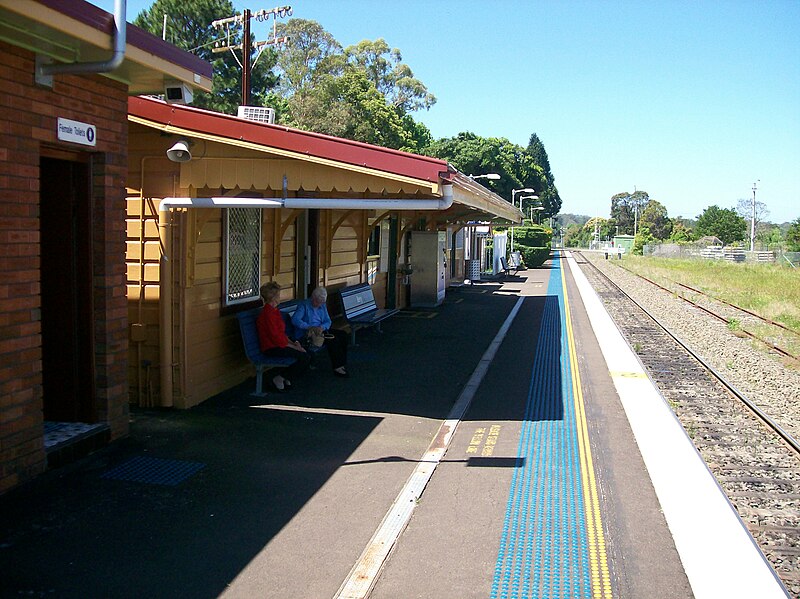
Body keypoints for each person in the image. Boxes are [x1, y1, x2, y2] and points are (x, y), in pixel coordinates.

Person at [256, 281, 312, 391]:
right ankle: (279, 378)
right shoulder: (267, 314)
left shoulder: (274, 311)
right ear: (273, 297)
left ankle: (287, 377)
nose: (279, 297)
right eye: (278, 295)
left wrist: (293, 343)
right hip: (271, 348)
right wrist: (294, 347)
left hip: (279, 344)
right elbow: (276, 338)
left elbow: (281, 333)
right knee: (304, 357)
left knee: (309, 354)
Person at [291, 286, 350, 378]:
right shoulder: (304, 305)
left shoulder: (322, 305)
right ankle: (337, 367)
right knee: (333, 340)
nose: (320, 305)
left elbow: (328, 321)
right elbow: (295, 320)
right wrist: (309, 327)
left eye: (322, 302)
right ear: (313, 298)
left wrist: (322, 327)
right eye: (318, 302)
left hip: (320, 330)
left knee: (343, 334)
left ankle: (341, 362)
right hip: (307, 333)